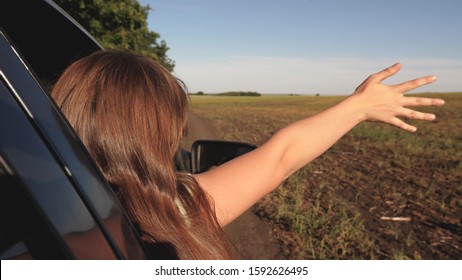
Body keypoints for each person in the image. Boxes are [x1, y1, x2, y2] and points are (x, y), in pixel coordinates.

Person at [51, 50, 445, 259]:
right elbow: (282, 156)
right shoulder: (176, 209)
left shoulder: (39, 238)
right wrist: (358, 107)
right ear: (160, 137)